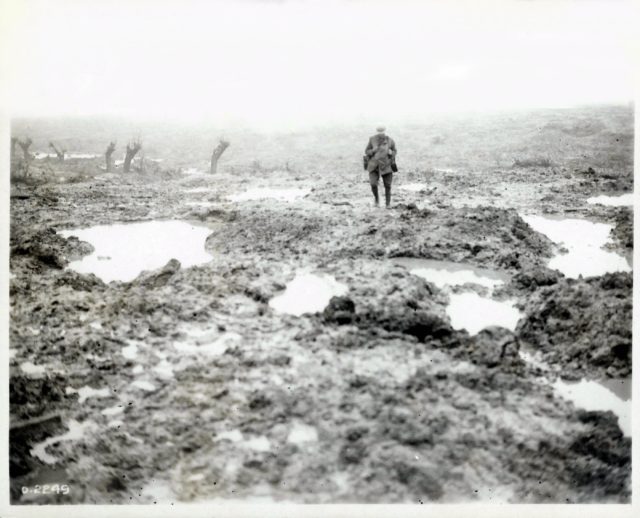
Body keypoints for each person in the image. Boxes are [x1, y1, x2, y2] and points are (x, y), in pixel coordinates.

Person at [364, 126, 397, 208]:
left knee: (388, 185)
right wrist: (372, 151)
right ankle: (377, 199)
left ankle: (388, 204)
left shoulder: (390, 140)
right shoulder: (372, 139)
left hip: (386, 165)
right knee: (373, 184)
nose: (380, 132)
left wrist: (391, 153)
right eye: (379, 131)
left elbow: (395, 150)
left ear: (385, 131)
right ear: (376, 131)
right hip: (374, 165)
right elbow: (367, 151)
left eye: (382, 131)